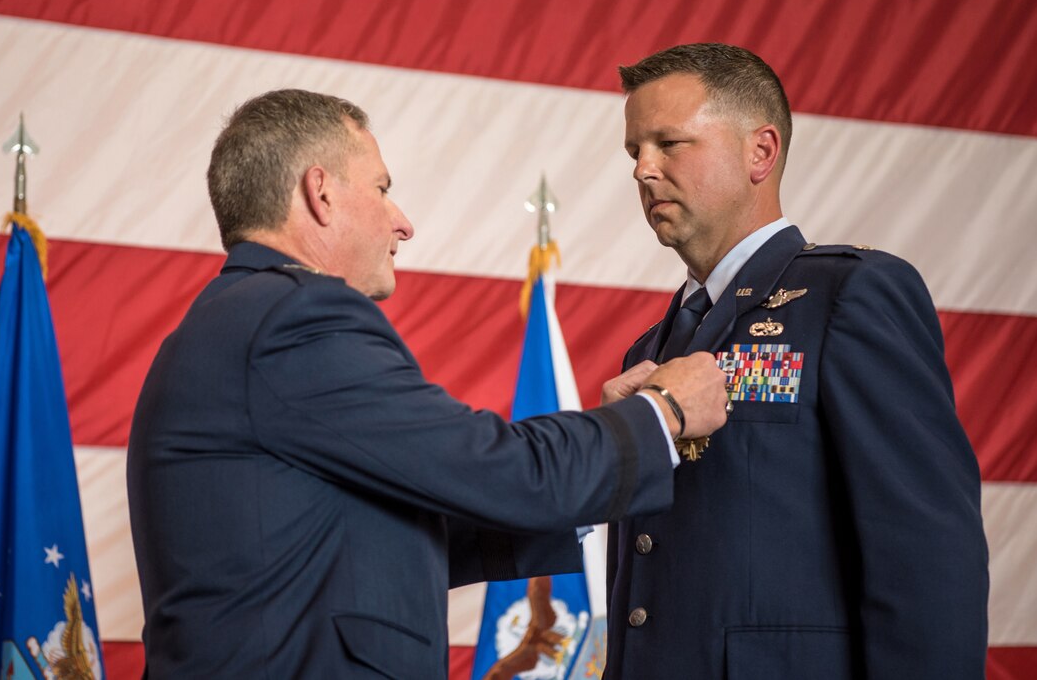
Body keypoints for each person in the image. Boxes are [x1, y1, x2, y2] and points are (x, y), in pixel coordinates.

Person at [126, 88, 729, 679]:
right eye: (383, 189)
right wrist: (663, 414)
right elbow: (496, 470)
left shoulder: (229, 321)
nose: (403, 223)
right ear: (321, 193)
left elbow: (383, 537)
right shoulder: (296, 317)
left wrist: (598, 454)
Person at [601, 44, 989, 678]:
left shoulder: (849, 296)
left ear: (762, 152)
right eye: (633, 151)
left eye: (670, 144)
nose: (643, 170)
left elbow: (927, 554)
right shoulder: (650, 351)